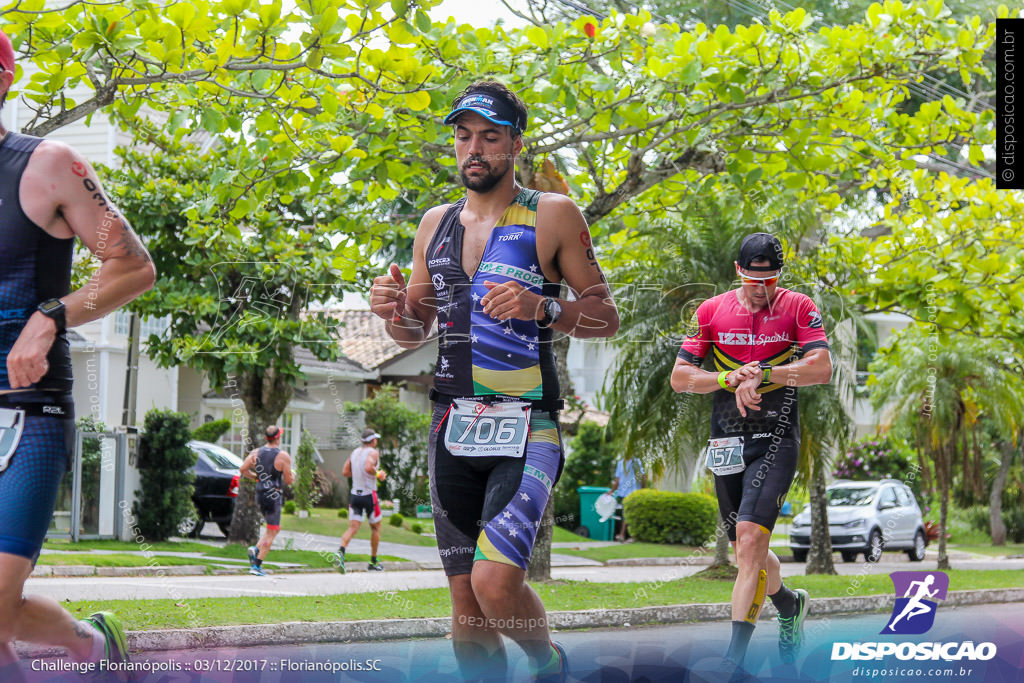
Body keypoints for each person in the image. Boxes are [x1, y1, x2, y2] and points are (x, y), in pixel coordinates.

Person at [369, 80, 619, 682]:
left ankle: (546, 662)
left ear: (515, 144)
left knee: (495, 581)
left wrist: (543, 308)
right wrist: (389, 313)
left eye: (489, 137)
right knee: (465, 605)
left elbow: (605, 314)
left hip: (528, 423)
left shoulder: (552, 214)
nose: (473, 149)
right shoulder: (436, 223)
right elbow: (415, 329)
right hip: (451, 422)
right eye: (463, 137)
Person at [0, 29, 156, 679]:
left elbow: (134, 267)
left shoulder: (49, 165)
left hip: (27, 417)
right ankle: (96, 648)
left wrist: (50, 316)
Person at [670, 232, 832, 665]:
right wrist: (728, 379)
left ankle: (732, 661)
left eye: (771, 280)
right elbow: (681, 377)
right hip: (726, 439)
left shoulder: (799, 307)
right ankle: (790, 605)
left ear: (779, 275)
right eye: (753, 280)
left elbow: (821, 368)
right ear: (738, 272)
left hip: (777, 438)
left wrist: (765, 374)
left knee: (749, 539)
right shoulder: (710, 312)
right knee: (748, 550)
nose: (762, 290)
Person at [240, 425, 294, 576]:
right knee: (273, 530)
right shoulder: (283, 456)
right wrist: (293, 476)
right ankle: (256, 563)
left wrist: (256, 477)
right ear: (278, 438)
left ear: (266, 437)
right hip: (273, 495)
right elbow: (289, 481)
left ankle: (256, 551)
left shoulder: (256, 452)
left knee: (272, 529)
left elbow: (243, 469)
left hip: (260, 493)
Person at [336, 428, 387, 573]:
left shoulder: (355, 452)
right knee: (376, 528)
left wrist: (358, 475)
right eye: (376, 439)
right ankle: (373, 561)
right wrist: (378, 474)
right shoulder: (373, 453)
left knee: (353, 528)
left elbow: (345, 472)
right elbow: (368, 467)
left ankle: (340, 552)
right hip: (369, 494)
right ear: (373, 441)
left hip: (355, 495)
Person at [610, 457, 645, 542]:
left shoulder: (636, 461)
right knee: (627, 515)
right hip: (623, 493)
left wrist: (643, 490)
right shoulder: (620, 463)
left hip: (633, 493)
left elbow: (642, 476)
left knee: (628, 514)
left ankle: (626, 535)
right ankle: (628, 536)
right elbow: (617, 480)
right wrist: (612, 491)